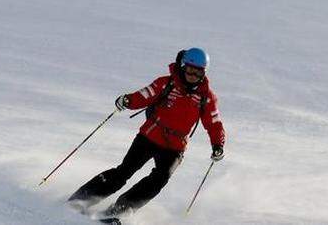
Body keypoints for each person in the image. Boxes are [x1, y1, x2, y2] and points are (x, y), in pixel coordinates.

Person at [67, 48, 225, 220]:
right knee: (123, 172)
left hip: (175, 146)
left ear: (204, 72)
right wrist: (127, 100)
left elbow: (214, 123)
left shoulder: (206, 97)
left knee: (159, 179)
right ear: (182, 66)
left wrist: (218, 145)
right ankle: (82, 199)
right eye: (189, 69)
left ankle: (120, 209)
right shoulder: (167, 83)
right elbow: (145, 95)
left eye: (198, 71)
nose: (192, 75)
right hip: (150, 136)